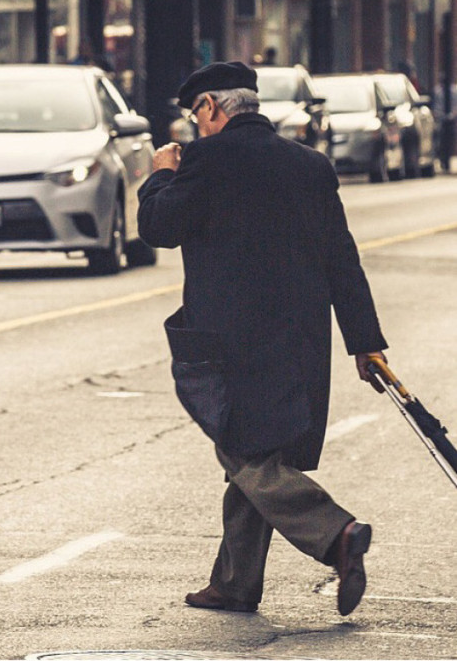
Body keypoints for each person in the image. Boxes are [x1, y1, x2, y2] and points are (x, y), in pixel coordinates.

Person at [137, 61, 388, 616]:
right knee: (258, 449)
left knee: (243, 449)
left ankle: (336, 533)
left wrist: (161, 175)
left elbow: (158, 227)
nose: (195, 126)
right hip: (301, 340)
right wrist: (364, 342)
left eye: (195, 114)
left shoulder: (205, 160)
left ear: (211, 107)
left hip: (230, 342)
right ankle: (234, 582)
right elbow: (341, 259)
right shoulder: (310, 165)